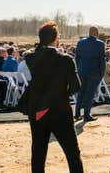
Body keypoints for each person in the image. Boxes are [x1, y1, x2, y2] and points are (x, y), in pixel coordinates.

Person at [24, 21, 83, 173]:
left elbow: (35, 53)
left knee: (38, 151)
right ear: (56, 38)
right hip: (59, 110)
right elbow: (76, 86)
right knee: (72, 152)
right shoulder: (66, 59)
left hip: (38, 109)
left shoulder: (30, 58)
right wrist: (62, 93)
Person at [74, 26, 106, 122]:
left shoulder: (80, 42)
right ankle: (86, 115)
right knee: (90, 93)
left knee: (81, 92)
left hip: (82, 70)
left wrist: (79, 68)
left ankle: (77, 113)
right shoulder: (100, 44)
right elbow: (102, 59)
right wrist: (102, 72)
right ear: (96, 33)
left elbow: (77, 57)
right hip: (94, 71)